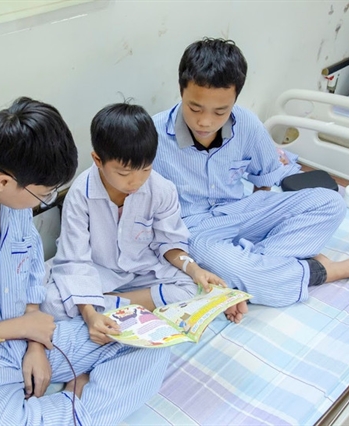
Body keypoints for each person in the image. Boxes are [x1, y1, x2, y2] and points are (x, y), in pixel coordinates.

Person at [0, 97, 172, 426]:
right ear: (4, 182)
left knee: (151, 341)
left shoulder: (12, 204)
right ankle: (79, 410)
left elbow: (33, 277)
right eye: (43, 194)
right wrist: (22, 329)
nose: (44, 202)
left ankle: (71, 409)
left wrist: (35, 343)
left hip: (37, 337)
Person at [151, 38, 349, 309]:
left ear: (235, 99)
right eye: (194, 108)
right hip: (195, 230)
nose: (205, 121)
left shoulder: (246, 123)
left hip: (243, 210)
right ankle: (319, 271)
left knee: (331, 203)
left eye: (220, 111)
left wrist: (260, 217)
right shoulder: (152, 135)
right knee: (237, 268)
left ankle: (258, 266)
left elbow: (265, 180)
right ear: (181, 91)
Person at [41, 102, 246, 343]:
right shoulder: (80, 194)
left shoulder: (161, 189)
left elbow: (170, 244)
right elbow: (75, 259)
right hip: (97, 270)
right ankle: (102, 305)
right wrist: (88, 313)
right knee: (50, 302)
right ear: (97, 160)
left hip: (142, 271)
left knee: (191, 287)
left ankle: (106, 303)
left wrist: (195, 269)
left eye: (146, 169)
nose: (136, 182)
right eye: (124, 173)